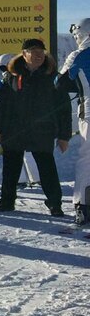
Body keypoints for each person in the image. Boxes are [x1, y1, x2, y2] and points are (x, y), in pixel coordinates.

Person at [0, 39, 72, 216]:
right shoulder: (12, 76)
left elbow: (64, 109)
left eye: (41, 52)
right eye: (34, 51)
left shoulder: (53, 77)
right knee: (11, 167)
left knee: (47, 167)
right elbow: (3, 105)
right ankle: (6, 202)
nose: (38, 55)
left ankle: (55, 204)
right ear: (24, 54)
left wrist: (64, 136)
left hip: (42, 130)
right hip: (14, 130)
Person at [0, 52, 40, 188]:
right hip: (24, 119)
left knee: (14, 151)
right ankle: (34, 177)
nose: (2, 71)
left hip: (13, 121)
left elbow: (5, 100)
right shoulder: (22, 75)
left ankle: (20, 179)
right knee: (26, 150)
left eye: (3, 68)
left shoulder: (11, 78)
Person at [62, 18, 90, 224]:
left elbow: (60, 82)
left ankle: (83, 206)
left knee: (86, 159)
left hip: (89, 113)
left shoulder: (79, 55)